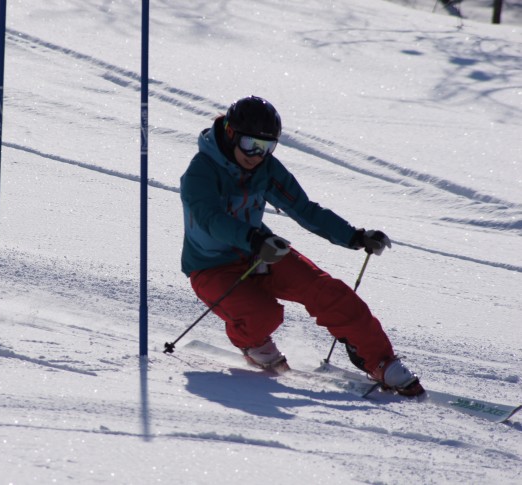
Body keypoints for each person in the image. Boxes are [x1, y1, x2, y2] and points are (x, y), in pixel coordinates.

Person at [179, 95, 424, 396]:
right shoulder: (200, 172)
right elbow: (210, 219)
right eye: (250, 144)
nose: (257, 154)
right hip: (211, 266)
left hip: (259, 250)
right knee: (265, 315)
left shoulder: (265, 168)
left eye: (266, 147)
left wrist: (354, 236)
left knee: (326, 291)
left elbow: (304, 209)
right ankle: (251, 341)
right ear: (230, 133)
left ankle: (382, 361)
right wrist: (254, 238)